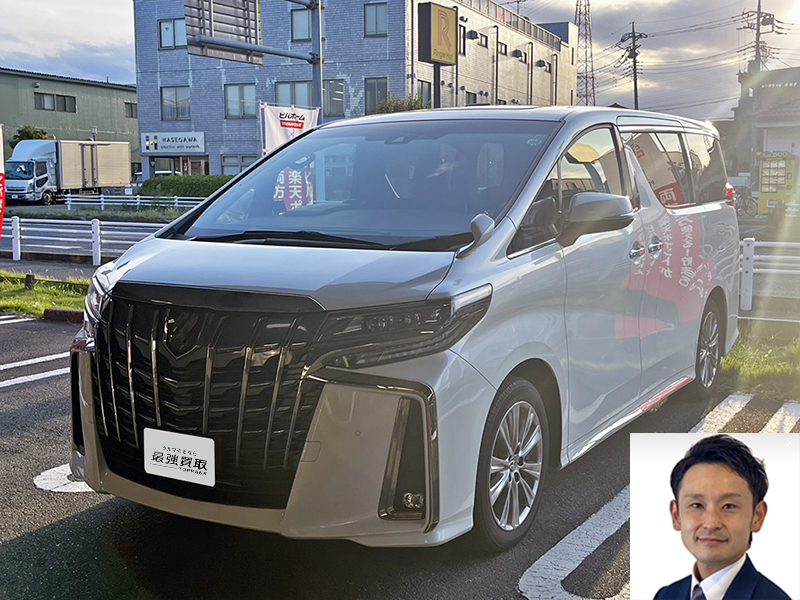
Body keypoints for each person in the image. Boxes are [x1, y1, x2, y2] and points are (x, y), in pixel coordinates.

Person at [654, 435, 791, 600]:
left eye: (729, 506)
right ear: (676, 516)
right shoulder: (666, 595)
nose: (711, 523)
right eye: (696, 505)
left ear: (757, 516)